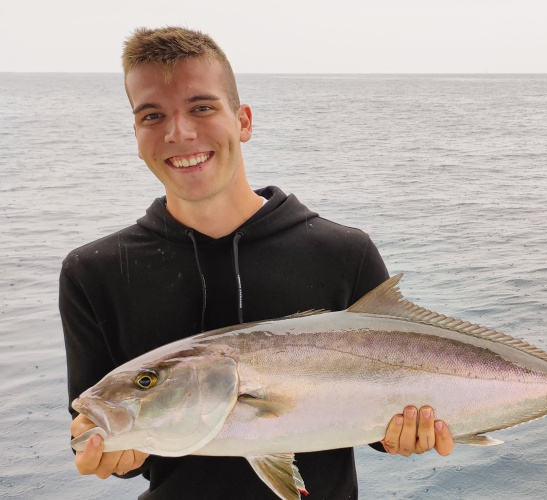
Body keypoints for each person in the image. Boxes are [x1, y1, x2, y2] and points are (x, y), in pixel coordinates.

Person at [60, 26, 453, 499]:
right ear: (137, 133)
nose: (179, 132)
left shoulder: (343, 252)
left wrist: (406, 436)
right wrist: (108, 453)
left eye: (201, 107)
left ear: (243, 120)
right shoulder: (93, 271)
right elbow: (101, 435)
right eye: (152, 115)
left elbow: (373, 422)